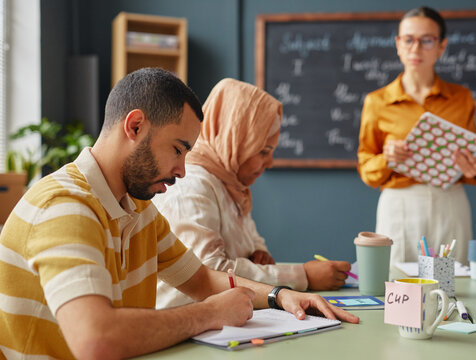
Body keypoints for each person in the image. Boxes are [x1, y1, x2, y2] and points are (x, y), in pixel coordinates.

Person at [0, 68, 358, 359]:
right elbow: (97, 341)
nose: (183, 170)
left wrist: (280, 295)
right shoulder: (65, 206)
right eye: (177, 149)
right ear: (135, 126)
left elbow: (201, 279)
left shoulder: (138, 209)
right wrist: (210, 313)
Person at [152, 78, 352, 308]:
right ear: (233, 139)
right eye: (263, 151)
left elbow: (253, 245)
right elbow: (208, 273)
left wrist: (257, 255)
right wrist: (303, 275)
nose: (270, 162)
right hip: (187, 328)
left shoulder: (231, 186)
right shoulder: (191, 186)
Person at [357, 7, 476, 271]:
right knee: (398, 283)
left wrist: (475, 168)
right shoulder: (377, 101)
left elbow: (471, 162)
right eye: (408, 39)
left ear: (441, 47)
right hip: (399, 203)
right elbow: (366, 168)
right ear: (398, 44)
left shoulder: (462, 98)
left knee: (451, 283)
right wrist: (387, 158)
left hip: (450, 200)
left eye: (427, 40)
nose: (416, 48)